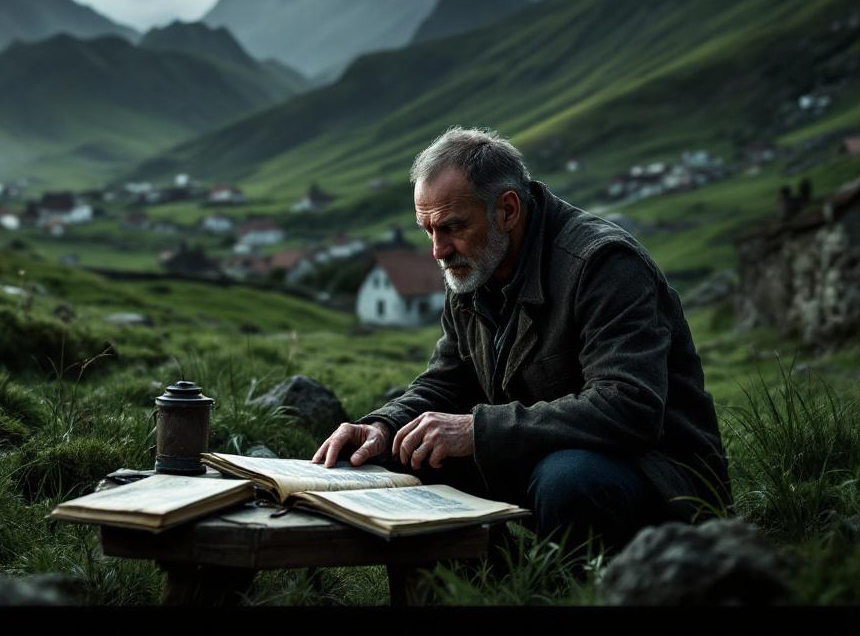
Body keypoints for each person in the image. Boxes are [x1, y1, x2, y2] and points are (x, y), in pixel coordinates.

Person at [311, 127, 730, 552]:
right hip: (534, 454)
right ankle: (499, 586)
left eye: (452, 227)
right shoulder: (473, 265)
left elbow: (629, 407)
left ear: (507, 210)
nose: (437, 250)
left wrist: (478, 431)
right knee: (387, 458)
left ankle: (595, 587)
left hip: (654, 473)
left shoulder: (603, 265)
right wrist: (382, 425)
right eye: (428, 230)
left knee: (569, 477)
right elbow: (446, 382)